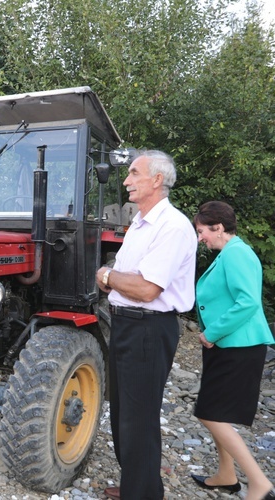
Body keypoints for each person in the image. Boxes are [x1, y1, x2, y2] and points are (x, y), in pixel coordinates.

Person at [95, 150, 197, 500]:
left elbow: (145, 288)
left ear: (157, 179)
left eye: (135, 173)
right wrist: (116, 278)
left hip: (149, 329)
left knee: (139, 418)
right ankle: (138, 488)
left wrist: (109, 274)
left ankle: (141, 495)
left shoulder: (172, 226)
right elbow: (125, 282)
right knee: (124, 414)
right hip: (126, 325)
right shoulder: (141, 223)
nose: (126, 181)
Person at [191, 201, 275, 500]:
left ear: (219, 227)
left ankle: (259, 481)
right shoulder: (230, 252)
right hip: (228, 344)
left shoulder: (237, 254)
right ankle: (227, 475)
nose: (200, 238)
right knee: (214, 410)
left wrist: (211, 332)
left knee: (210, 414)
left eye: (202, 231)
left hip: (238, 345)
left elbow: (248, 301)